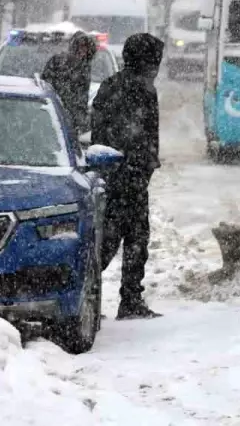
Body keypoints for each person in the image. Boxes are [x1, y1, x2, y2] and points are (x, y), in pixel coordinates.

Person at [91, 32, 164, 320]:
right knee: (134, 237)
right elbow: (146, 135)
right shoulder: (143, 90)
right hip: (130, 176)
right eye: (155, 61)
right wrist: (145, 165)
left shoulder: (109, 86)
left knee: (109, 238)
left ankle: (90, 290)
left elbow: (99, 129)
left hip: (111, 173)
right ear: (146, 62)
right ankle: (129, 299)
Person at [41, 32, 98, 135]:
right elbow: (46, 85)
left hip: (69, 119)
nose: (83, 51)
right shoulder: (57, 61)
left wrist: (80, 120)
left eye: (86, 48)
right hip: (52, 113)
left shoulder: (85, 67)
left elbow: (82, 97)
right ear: (74, 48)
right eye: (81, 47)